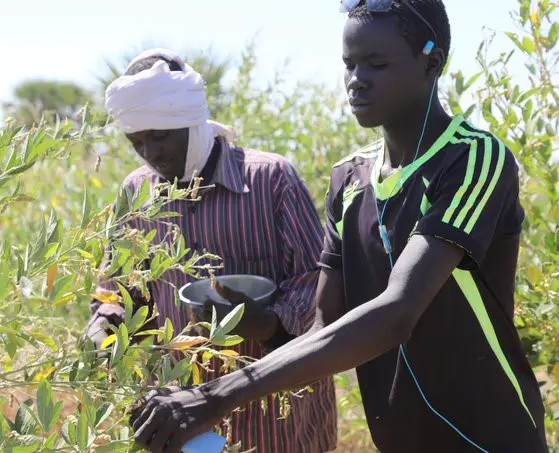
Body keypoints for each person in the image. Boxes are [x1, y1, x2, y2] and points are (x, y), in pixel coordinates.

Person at [128, 2, 549, 453]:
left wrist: (214, 398)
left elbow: (396, 314)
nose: (355, 80)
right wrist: (258, 330)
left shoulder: (472, 159)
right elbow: (326, 326)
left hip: (491, 435)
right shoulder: (350, 180)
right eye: (349, 64)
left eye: (377, 64)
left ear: (432, 62)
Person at [87, 48, 338, 453]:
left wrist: (267, 323)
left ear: (190, 120)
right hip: (181, 422)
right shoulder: (136, 193)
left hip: (275, 417)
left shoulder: (271, 180)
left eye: (161, 136)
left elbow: (320, 290)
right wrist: (106, 324)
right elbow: (119, 290)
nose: (152, 155)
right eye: (138, 142)